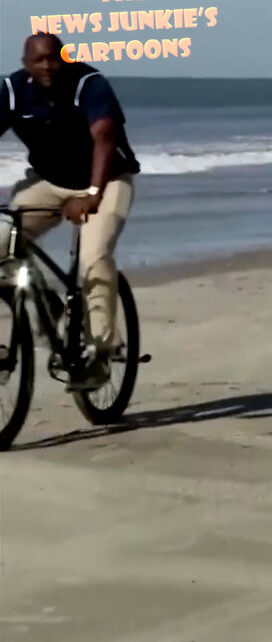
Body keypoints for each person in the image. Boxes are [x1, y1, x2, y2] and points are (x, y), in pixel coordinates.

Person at [0, 33, 140, 387]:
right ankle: (47, 302)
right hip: (49, 183)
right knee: (4, 237)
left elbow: (105, 137)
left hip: (107, 180)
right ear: (25, 64)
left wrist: (92, 194)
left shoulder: (88, 85)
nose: (47, 66)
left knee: (94, 256)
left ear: (64, 58)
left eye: (54, 58)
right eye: (39, 60)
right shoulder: (14, 91)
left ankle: (102, 350)